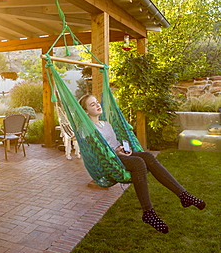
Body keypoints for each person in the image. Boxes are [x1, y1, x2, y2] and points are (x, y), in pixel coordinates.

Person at [78, 94, 205, 233]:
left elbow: (114, 143)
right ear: (85, 111)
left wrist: (122, 149)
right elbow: (97, 150)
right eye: (92, 104)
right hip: (110, 161)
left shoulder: (106, 123)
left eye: (97, 102)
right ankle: (148, 212)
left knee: (148, 157)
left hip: (119, 154)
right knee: (138, 163)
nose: (97, 105)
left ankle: (183, 195)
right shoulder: (87, 128)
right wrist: (116, 153)